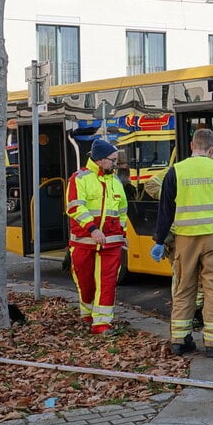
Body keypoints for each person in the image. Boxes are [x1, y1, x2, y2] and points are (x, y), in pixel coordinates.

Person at [150, 128, 213, 357]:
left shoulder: (176, 171)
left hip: (185, 239)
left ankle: (179, 340)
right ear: (212, 149)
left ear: (192, 145)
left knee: (185, 287)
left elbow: (166, 210)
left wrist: (159, 240)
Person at [65, 139, 128, 335]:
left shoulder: (115, 181)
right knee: (85, 282)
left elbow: (122, 211)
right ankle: (88, 313)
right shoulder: (79, 178)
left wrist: (123, 233)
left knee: (108, 282)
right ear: (101, 160)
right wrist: (93, 229)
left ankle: (102, 324)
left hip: (111, 243)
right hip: (84, 241)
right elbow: (75, 207)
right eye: (113, 160)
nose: (116, 164)